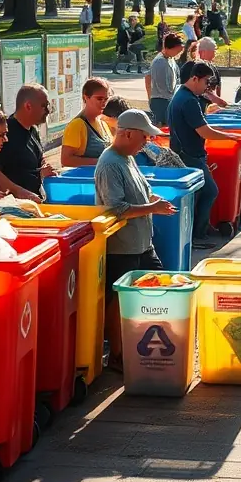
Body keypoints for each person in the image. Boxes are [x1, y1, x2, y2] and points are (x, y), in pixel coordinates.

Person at [95, 109, 176, 362]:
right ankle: (117, 355)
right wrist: (153, 208)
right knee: (119, 301)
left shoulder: (128, 157)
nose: (146, 143)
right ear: (127, 134)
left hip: (142, 244)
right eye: (143, 137)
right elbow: (116, 208)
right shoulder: (109, 163)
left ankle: (145, 343)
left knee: (161, 287)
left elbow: (144, 190)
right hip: (122, 247)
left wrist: (154, 201)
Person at [168, 62, 241, 244]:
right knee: (209, 191)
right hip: (189, 155)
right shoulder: (188, 101)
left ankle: (199, 230)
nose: (206, 87)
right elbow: (204, 131)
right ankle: (198, 233)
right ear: (194, 78)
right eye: (205, 82)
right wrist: (230, 137)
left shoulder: (181, 96)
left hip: (185, 153)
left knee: (200, 193)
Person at [0, 84, 56, 200]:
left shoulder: (33, 129)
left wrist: (45, 167)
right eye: (44, 106)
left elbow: (38, 159)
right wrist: (20, 192)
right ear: (28, 106)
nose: (48, 111)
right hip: (14, 204)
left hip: (34, 200)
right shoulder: (6, 132)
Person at [61, 77, 113, 167]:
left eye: (106, 99)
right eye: (99, 99)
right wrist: (101, 162)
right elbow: (66, 160)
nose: (104, 103)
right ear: (86, 97)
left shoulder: (103, 123)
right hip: (85, 178)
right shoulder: (77, 125)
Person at [145, 33, 184, 126]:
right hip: (161, 100)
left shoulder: (170, 59)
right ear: (168, 48)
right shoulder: (160, 61)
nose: (178, 53)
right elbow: (149, 78)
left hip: (168, 99)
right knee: (164, 127)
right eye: (177, 50)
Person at [180, 37, 226, 109]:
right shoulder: (191, 67)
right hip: (198, 106)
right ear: (204, 51)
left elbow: (217, 89)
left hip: (213, 107)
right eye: (213, 51)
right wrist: (217, 100)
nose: (215, 54)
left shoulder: (213, 68)